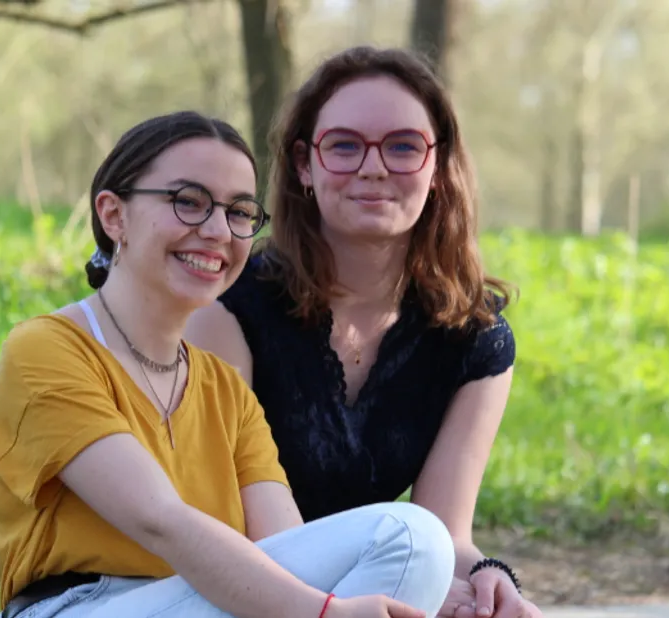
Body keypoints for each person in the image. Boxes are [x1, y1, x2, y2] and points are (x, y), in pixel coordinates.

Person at [0, 110, 459, 618]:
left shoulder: (226, 390)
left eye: (239, 212)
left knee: (418, 542)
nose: (216, 230)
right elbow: (157, 518)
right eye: (189, 202)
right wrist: (324, 614)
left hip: (214, 601)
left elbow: (287, 552)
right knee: (404, 536)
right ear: (113, 214)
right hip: (84, 605)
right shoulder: (47, 350)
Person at [184, 47, 544, 618]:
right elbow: (216, 522)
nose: (373, 168)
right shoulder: (229, 307)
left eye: (403, 147)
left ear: (438, 166)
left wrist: (486, 582)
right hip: (226, 584)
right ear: (305, 164)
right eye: (345, 146)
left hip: (372, 583)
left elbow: (445, 535)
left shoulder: (475, 339)